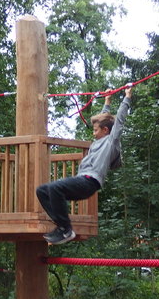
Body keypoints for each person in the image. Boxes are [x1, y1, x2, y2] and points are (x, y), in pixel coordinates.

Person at [36, 86, 132, 245]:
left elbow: (119, 121)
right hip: (82, 180)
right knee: (42, 191)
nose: (93, 133)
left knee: (55, 188)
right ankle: (62, 227)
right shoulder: (99, 140)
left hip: (90, 182)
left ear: (106, 131)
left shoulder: (111, 141)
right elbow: (104, 119)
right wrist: (107, 101)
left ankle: (66, 229)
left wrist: (127, 97)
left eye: (96, 130)